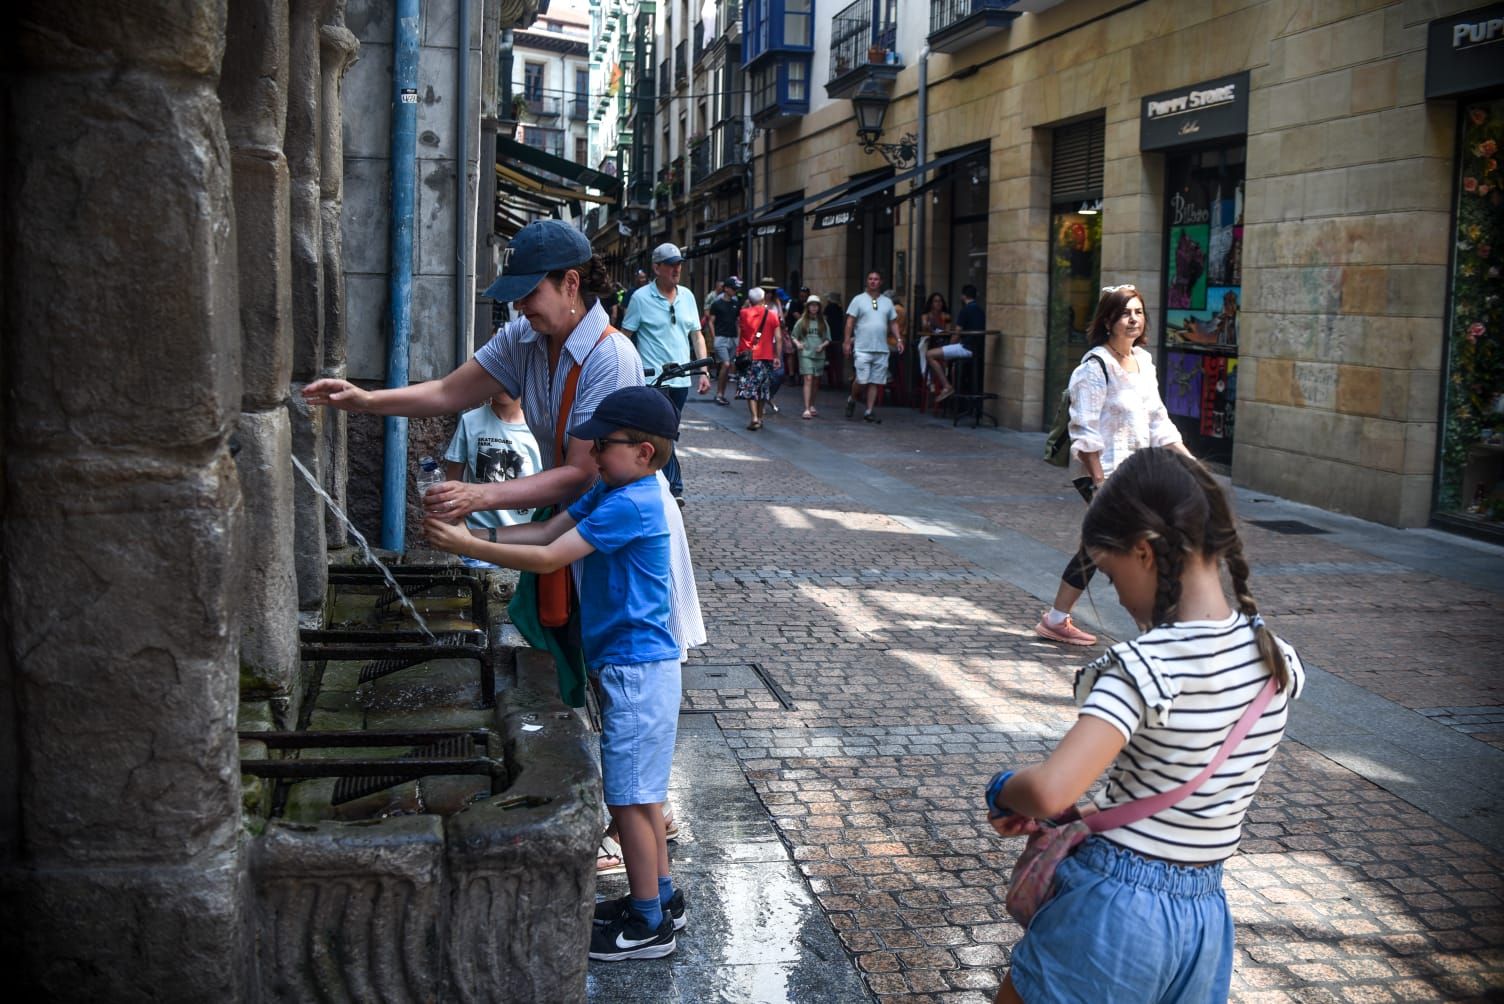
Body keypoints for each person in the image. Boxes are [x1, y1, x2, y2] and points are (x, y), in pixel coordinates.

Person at [300, 218, 705, 838]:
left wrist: (480, 497)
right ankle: (621, 809)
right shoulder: (524, 338)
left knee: (617, 669)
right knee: (577, 656)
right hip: (578, 520)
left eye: (529, 293)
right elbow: (446, 393)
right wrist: (363, 400)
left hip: (612, 529)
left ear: (571, 284)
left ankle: (640, 818)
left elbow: (578, 472)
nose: (519, 307)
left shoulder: (610, 356)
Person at [985, 446, 1305, 1003]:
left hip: (1113, 912)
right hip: (1204, 917)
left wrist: (1002, 789)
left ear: (1144, 553)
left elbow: (1048, 789)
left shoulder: (1144, 667)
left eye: (1110, 575)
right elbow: (1181, 782)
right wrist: (1090, 811)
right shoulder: (1276, 658)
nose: (1113, 593)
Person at [422, 386, 689, 962]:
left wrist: (467, 543)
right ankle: (659, 899)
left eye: (604, 446)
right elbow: (544, 533)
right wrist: (480, 536)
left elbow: (550, 559)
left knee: (628, 798)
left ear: (643, 451)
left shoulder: (635, 502)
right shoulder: (613, 488)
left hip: (640, 670)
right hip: (631, 667)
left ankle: (648, 927)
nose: (591, 455)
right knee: (642, 796)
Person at [1035, 284, 1190, 646]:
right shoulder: (1094, 367)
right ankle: (1154, 633)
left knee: (1096, 546)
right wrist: (1100, 480)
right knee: (1137, 546)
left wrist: (1190, 461)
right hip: (1099, 470)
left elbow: (1158, 419)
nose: (1133, 319)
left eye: (1138, 312)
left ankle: (1056, 619)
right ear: (1108, 321)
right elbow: (1083, 428)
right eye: (1125, 313)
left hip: (1133, 470)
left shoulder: (1143, 362)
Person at [620, 242, 712, 507]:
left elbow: (696, 335)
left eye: (679, 264)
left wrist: (703, 371)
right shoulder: (640, 298)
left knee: (665, 433)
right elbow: (626, 336)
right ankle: (674, 487)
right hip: (653, 380)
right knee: (662, 433)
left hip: (681, 379)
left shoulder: (688, 296)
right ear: (656, 267)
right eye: (671, 264)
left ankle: (659, 484)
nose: (677, 269)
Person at [441, 389, 542, 568]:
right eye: (498, 377)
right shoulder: (470, 421)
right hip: (475, 546)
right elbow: (451, 484)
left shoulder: (539, 430)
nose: (503, 385)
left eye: (510, 377)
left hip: (523, 546)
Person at [844, 270, 902, 423]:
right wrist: (846, 341)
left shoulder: (887, 302)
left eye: (876, 279)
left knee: (875, 381)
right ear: (867, 281)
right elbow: (850, 322)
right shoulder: (858, 300)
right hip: (862, 347)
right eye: (870, 279)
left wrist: (899, 339)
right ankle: (852, 398)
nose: (873, 282)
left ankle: (869, 411)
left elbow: (893, 322)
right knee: (862, 380)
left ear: (880, 282)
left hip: (881, 348)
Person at [926, 285, 982, 403]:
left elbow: (956, 334)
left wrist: (948, 349)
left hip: (966, 348)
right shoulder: (980, 310)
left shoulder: (965, 310)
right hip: (978, 350)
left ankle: (947, 386)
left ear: (963, 296)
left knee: (930, 354)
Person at [736, 285, 781, 431]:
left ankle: (754, 417)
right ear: (763, 299)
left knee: (750, 387)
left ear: (750, 300)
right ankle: (760, 418)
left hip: (749, 356)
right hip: (767, 356)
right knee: (763, 388)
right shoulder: (772, 315)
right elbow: (778, 338)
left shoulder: (744, 313)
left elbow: (740, 331)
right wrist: (777, 356)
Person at [791, 295, 831, 420]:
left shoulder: (822, 322)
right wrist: (798, 344)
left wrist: (822, 346)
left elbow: (828, 339)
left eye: (816, 305)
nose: (814, 308)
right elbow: (793, 336)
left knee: (815, 381)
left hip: (818, 354)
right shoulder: (802, 321)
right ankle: (807, 408)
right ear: (808, 307)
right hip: (805, 354)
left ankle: (812, 404)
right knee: (808, 378)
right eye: (811, 305)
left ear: (819, 308)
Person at [707, 280, 741, 406]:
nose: (735, 291)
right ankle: (719, 394)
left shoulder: (736, 304)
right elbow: (711, 320)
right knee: (726, 364)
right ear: (726, 289)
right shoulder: (717, 304)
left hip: (732, 338)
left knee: (727, 366)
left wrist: (739, 338)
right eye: (733, 288)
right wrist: (714, 336)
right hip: (721, 338)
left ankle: (721, 393)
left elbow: (738, 322)